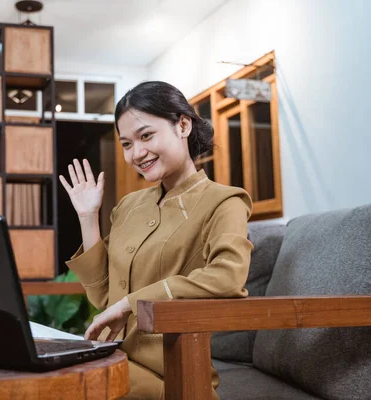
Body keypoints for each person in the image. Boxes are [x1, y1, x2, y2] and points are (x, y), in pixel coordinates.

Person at [59, 81, 254, 399]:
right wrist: (87, 216)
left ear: (183, 125)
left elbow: (228, 277)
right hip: (113, 358)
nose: (137, 153)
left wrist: (129, 304)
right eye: (126, 144)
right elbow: (103, 297)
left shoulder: (225, 201)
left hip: (172, 375)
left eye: (146, 136)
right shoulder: (128, 206)